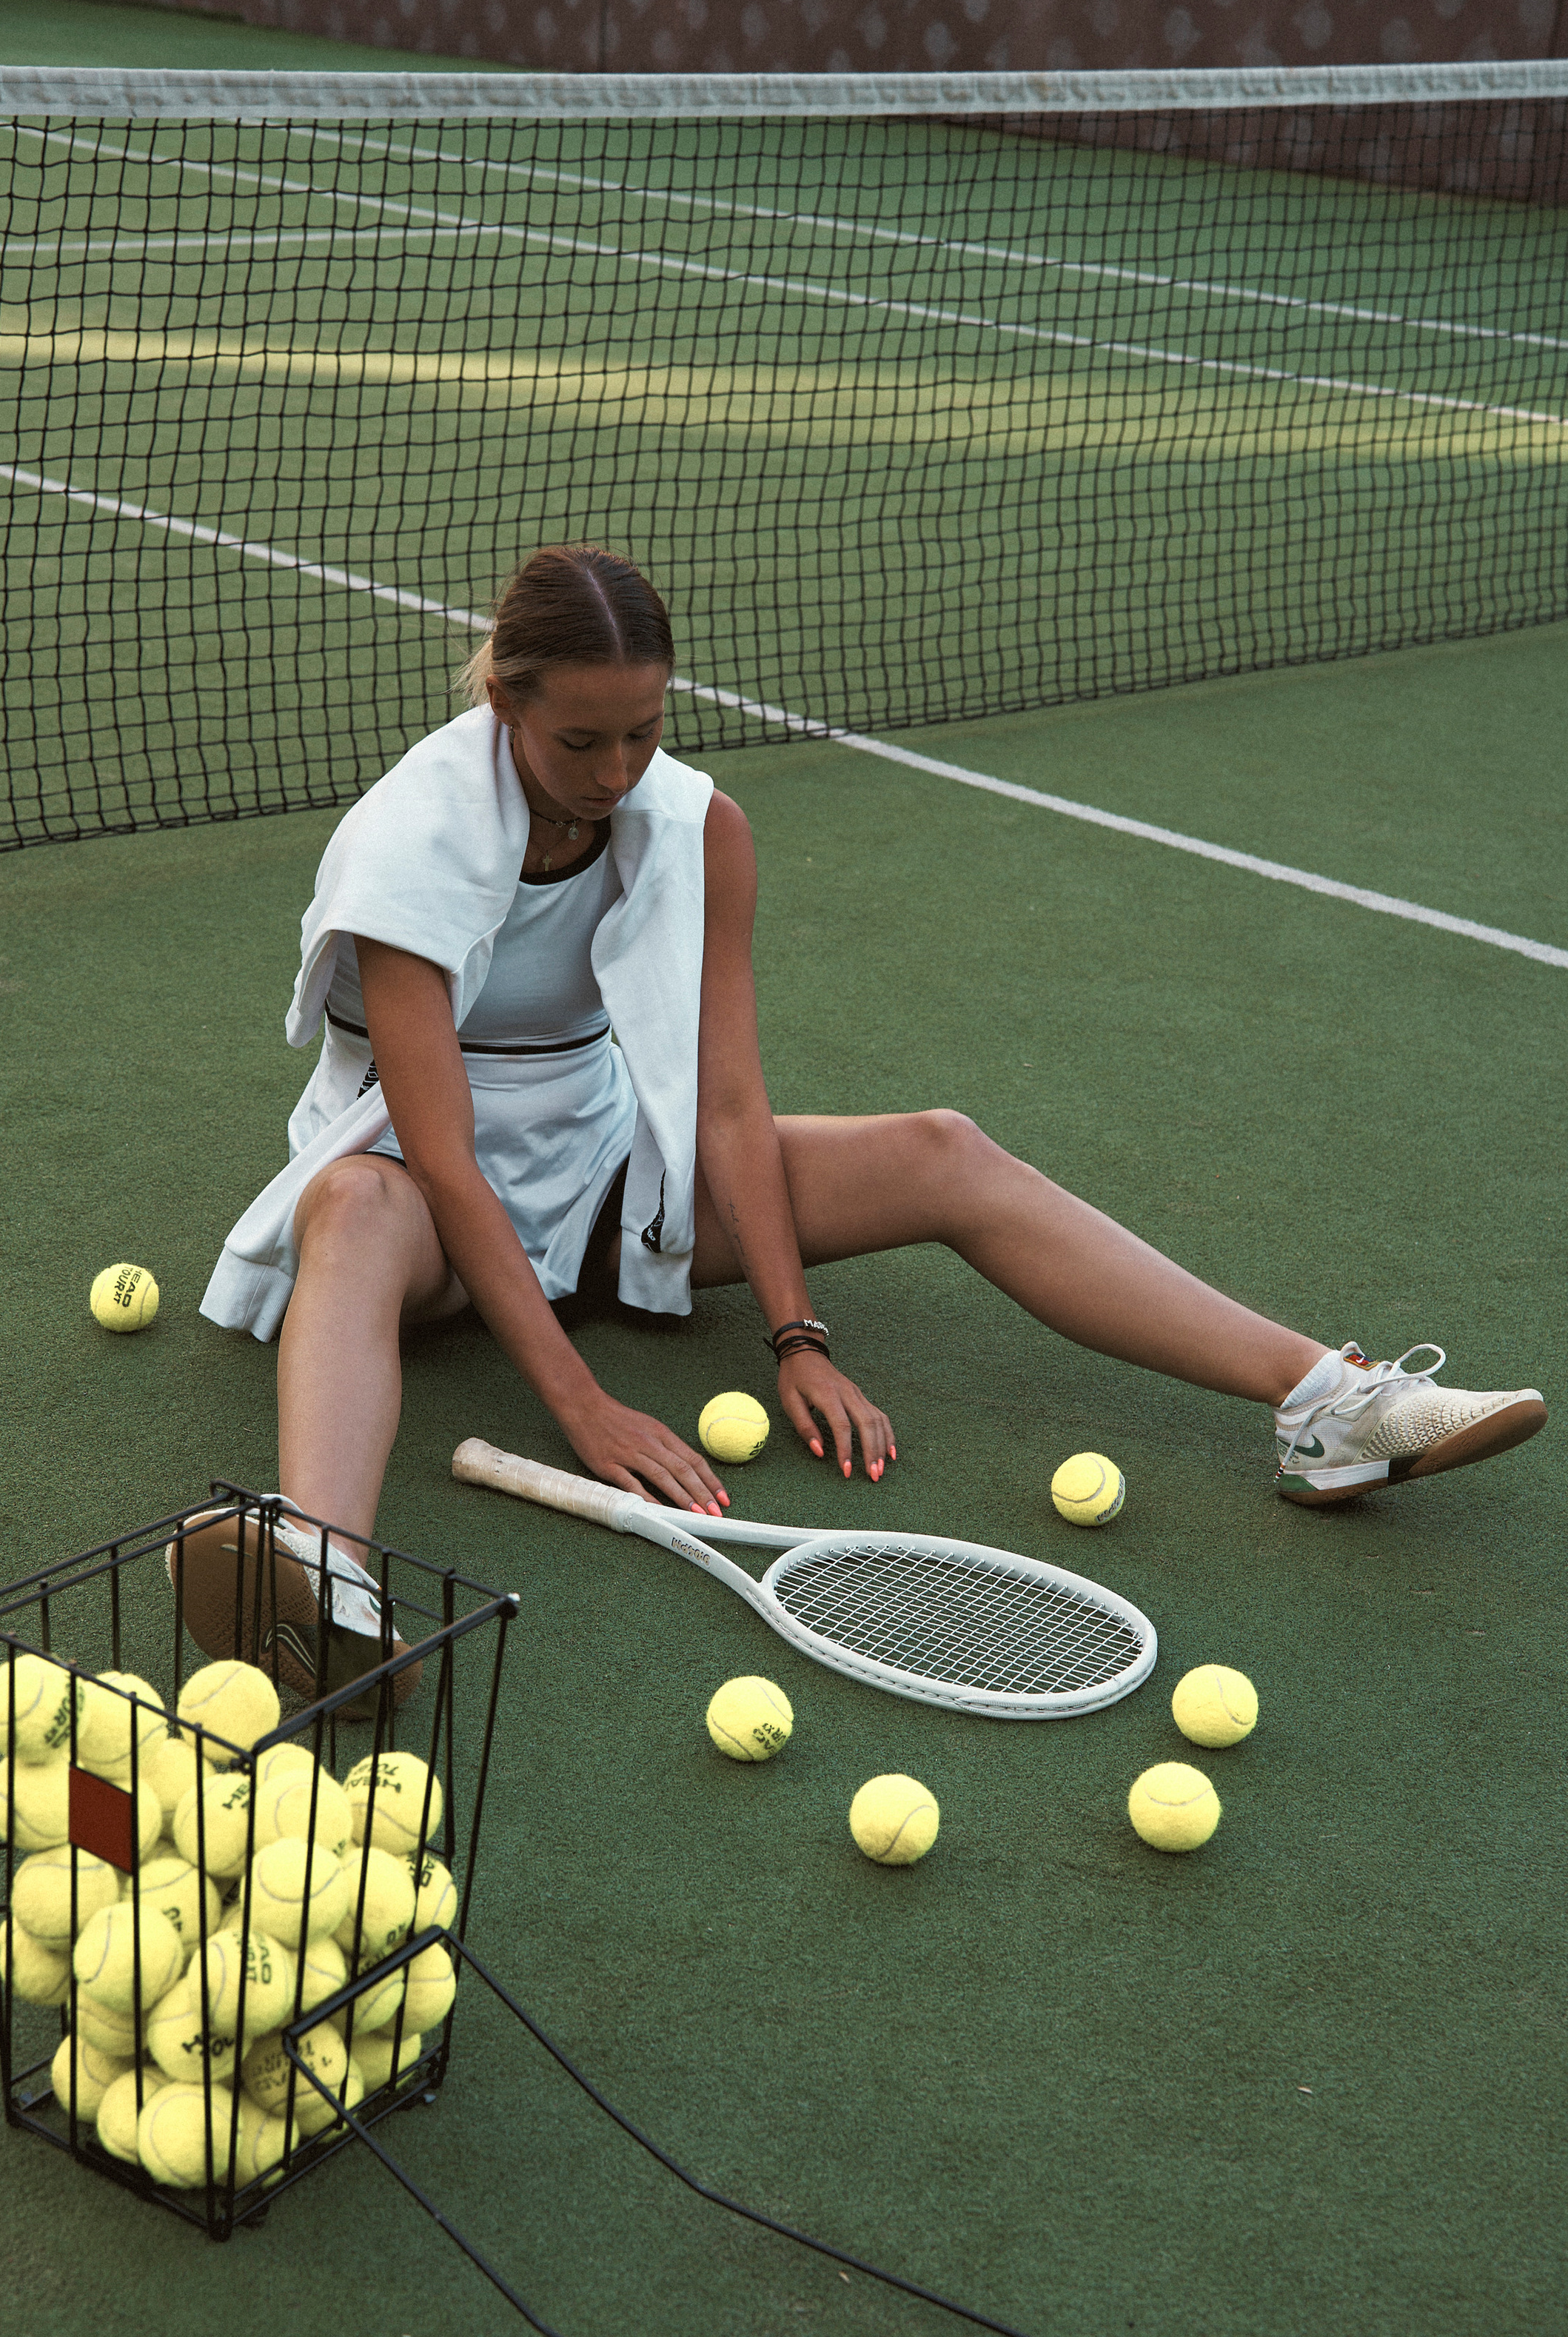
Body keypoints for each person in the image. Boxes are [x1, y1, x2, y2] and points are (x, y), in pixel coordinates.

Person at [190, 544, 1545, 1689]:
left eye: (644, 731)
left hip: (610, 1164)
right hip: (426, 1193)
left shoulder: (697, 825)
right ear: (504, 700)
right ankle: (323, 1577)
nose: (616, 771)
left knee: (942, 1150)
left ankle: (1327, 1407)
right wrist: (584, 1405)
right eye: (580, 741)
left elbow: (728, 1101)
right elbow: (445, 1159)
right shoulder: (410, 847)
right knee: (354, 1206)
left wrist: (797, 1336)